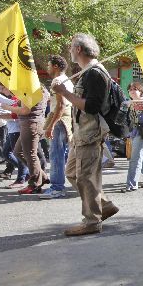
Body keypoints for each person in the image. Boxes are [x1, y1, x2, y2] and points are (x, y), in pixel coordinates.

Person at [52, 33, 118, 236]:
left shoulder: (95, 73)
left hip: (90, 134)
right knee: (72, 173)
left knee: (86, 178)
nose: (70, 50)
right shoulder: (88, 72)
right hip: (81, 134)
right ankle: (104, 205)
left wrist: (64, 93)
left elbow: (91, 106)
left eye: (72, 47)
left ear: (79, 49)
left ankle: (92, 221)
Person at [1, 85, 50, 194]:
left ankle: (35, 184)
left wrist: (7, 107)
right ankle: (41, 175)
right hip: (30, 124)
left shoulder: (32, 89)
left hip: (31, 124)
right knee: (18, 152)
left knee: (30, 154)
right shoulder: (38, 88)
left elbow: (25, 110)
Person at [40, 55, 74, 199]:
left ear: (55, 66)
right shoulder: (67, 80)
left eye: (49, 65)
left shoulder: (57, 80)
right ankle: (58, 186)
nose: (47, 68)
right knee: (61, 155)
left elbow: (61, 105)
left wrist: (51, 126)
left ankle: (57, 188)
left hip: (60, 121)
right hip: (65, 120)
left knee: (56, 156)